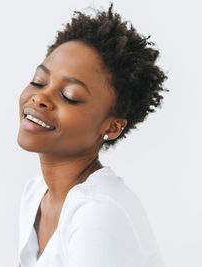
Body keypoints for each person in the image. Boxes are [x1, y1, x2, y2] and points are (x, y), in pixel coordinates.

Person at [16, 2, 168, 267]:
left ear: (111, 127)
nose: (40, 97)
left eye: (70, 96)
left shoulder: (97, 214)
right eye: (39, 81)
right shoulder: (36, 193)